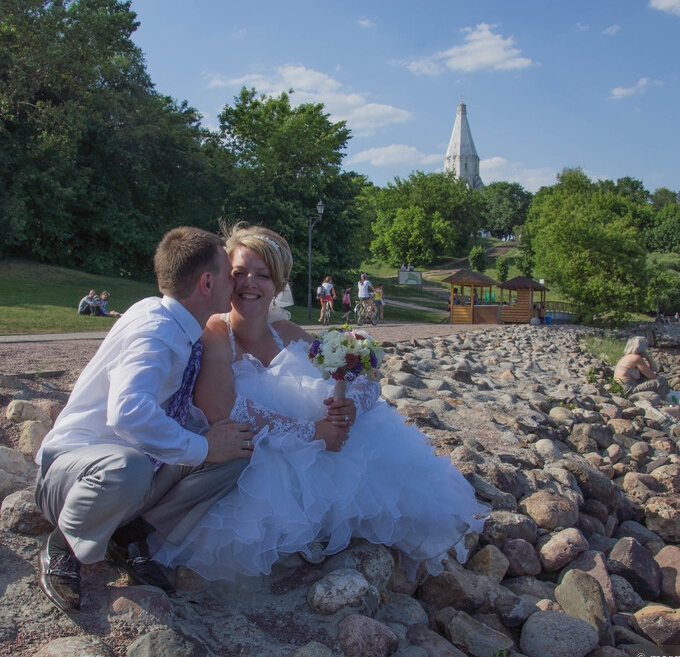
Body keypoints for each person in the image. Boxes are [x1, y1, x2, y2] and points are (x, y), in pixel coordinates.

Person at [151, 225, 489, 581]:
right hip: (247, 455)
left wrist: (353, 404)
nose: (249, 283)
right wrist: (314, 432)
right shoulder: (216, 333)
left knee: (377, 463)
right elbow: (220, 407)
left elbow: (364, 378)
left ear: (278, 286)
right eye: (239, 274)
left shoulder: (290, 335)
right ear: (224, 279)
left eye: (263, 275)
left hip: (316, 450)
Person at [34, 227, 254, 615]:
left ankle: (133, 533)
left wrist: (211, 441)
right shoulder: (155, 331)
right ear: (206, 282)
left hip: (130, 476)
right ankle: (64, 543)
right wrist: (202, 446)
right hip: (75, 475)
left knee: (234, 451)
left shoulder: (177, 323)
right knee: (131, 465)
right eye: (228, 274)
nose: (235, 283)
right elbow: (127, 412)